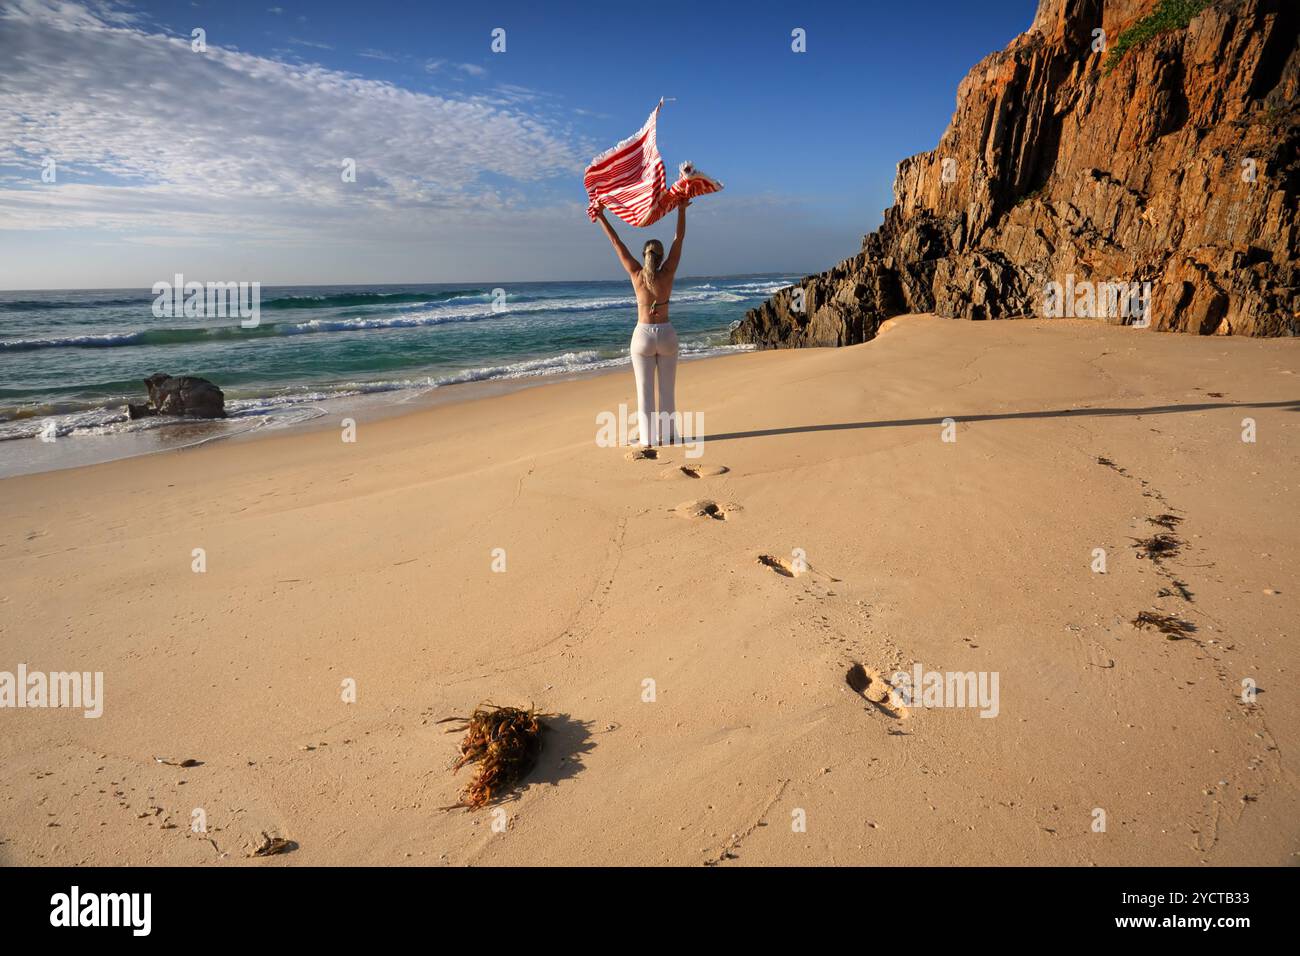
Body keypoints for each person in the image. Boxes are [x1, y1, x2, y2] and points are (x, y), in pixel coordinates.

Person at [593, 199, 688, 447]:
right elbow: (679, 240)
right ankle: (668, 437)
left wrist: (602, 216)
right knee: (667, 391)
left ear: (644, 255)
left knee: (644, 393)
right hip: (666, 334)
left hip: (643, 336)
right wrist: (681, 209)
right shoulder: (668, 272)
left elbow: (616, 243)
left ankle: (647, 440)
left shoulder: (636, 274)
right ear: (661, 257)